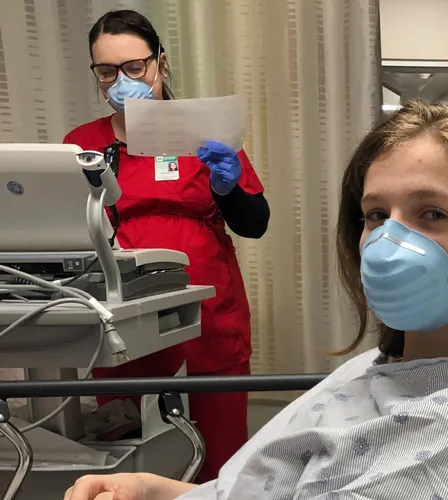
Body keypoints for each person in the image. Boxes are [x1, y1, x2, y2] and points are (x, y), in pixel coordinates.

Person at [65, 101, 448, 500]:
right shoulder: (382, 368)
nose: (387, 243)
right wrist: (154, 489)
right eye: (376, 215)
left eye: (432, 213)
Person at [62, 10, 270, 483]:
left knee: (218, 458)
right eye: (107, 71)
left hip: (209, 313)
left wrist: (227, 188)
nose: (122, 81)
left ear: (161, 62)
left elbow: (254, 223)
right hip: (123, 317)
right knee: (127, 463)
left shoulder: (205, 131)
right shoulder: (83, 144)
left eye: (135, 67)